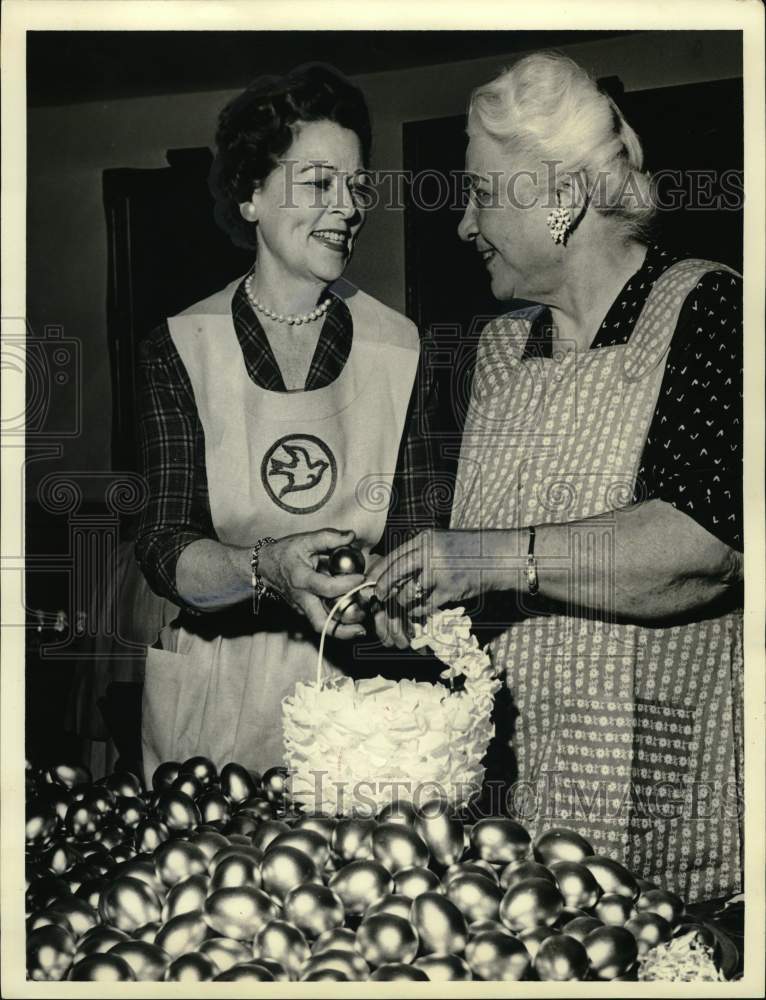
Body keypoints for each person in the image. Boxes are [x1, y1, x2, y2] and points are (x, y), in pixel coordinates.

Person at [373, 52, 743, 903]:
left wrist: (484, 559)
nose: (463, 223)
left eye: (481, 193)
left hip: (673, 815)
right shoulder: (493, 351)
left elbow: (703, 544)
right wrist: (415, 594)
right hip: (522, 820)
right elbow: (453, 545)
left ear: (562, 199)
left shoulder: (708, 310)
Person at [135, 63, 436, 783]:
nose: (348, 206)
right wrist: (267, 566)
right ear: (250, 196)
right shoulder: (181, 345)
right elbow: (164, 543)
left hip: (356, 699)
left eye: (357, 184)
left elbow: (417, 539)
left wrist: (395, 604)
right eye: (318, 182)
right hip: (215, 691)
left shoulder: (402, 346)